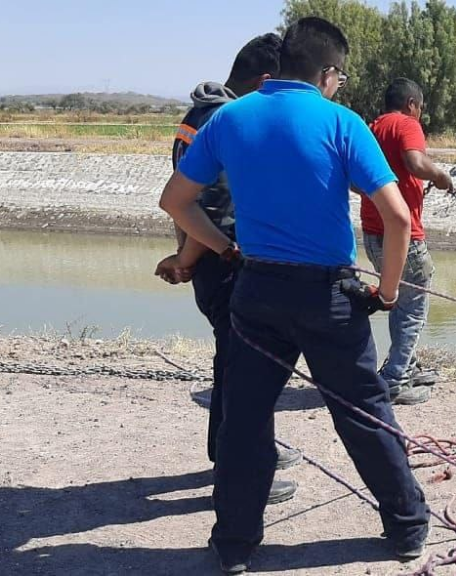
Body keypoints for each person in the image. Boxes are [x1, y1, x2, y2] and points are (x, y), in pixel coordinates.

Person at [158, 17, 429, 574]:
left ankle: (233, 545)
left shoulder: (230, 117)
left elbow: (176, 201)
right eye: (341, 77)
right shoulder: (340, 122)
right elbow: (398, 218)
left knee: (245, 420)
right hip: (329, 296)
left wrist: (224, 251)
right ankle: (406, 529)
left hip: (255, 293)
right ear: (328, 73)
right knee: (364, 413)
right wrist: (388, 291)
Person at [153, 33, 301, 506]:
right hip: (226, 260)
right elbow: (212, 209)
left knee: (232, 362)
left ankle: (233, 452)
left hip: (208, 259)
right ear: (266, 80)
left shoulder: (197, 116)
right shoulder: (228, 121)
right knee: (246, 370)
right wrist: (193, 257)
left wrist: (184, 256)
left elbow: (183, 202)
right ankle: (244, 471)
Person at [360, 78, 452, 405]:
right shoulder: (406, 124)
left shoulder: (371, 128)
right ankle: (396, 378)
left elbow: (356, 181)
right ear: (412, 104)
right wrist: (441, 177)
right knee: (414, 305)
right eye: (421, 107)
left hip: (372, 234)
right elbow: (415, 161)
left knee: (399, 301)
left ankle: (406, 364)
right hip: (405, 235)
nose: (420, 113)